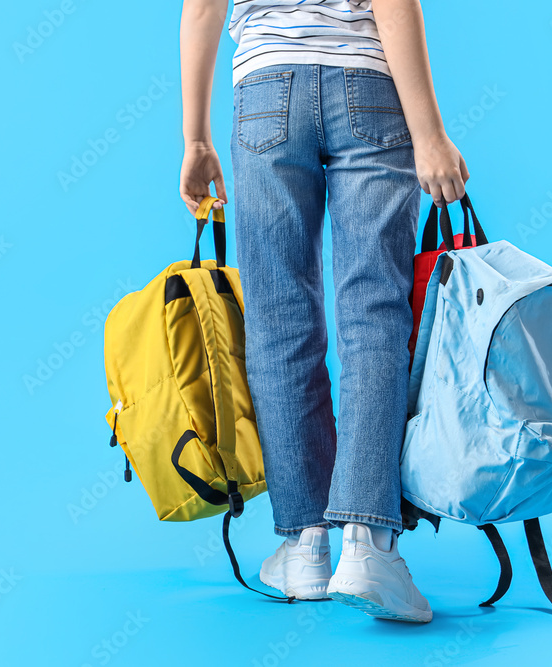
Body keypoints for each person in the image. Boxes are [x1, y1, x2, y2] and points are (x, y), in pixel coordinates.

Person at [178, 0, 469, 623]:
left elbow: (202, 5)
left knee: (279, 320)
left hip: (264, 90)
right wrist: (429, 134)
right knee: (375, 315)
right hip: (368, 82)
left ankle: (304, 545)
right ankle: (368, 545)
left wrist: (196, 138)